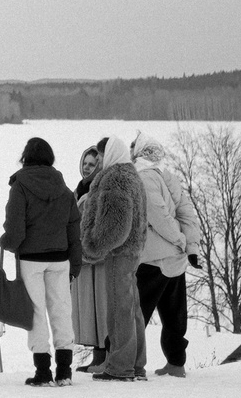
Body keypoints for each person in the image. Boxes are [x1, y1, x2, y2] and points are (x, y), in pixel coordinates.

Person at [0, 136, 83, 386]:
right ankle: (65, 372)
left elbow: (15, 229)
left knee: (36, 312)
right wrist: (75, 264)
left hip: (31, 260)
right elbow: (73, 231)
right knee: (61, 311)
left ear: (25, 158)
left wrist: (6, 242)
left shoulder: (20, 187)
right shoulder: (65, 190)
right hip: (60, 260)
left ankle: (43, 371)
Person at [79, 134, 151, 381]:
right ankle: (137, 365)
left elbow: (115, 225)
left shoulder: (114, 179)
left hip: (118, 254)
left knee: (119, 309)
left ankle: (120, 367)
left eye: (100, 154)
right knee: (132, 309)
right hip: (133, 251)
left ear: (108, 153)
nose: (98, 160)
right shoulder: (133, 176)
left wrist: (92, 248)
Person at [130, 135, 202, 378]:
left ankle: (128, 362)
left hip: (154, 259)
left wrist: (181, 241)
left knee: (137, 313)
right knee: (174, 315)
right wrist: (191, 247)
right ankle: (176, 362)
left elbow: (158, 216)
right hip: (177, 260)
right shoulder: (168, 177)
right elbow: (187, 214)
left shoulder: (143, 177)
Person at [69, 141, 105, 368]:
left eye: (92, 164)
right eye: (85, 163)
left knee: (100, 308)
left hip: (97, 258)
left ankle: (105, 354)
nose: (87, 167)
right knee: (87, 311)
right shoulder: (79, 189)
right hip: (81, 258)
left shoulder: (100, 189)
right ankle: (97, 356)